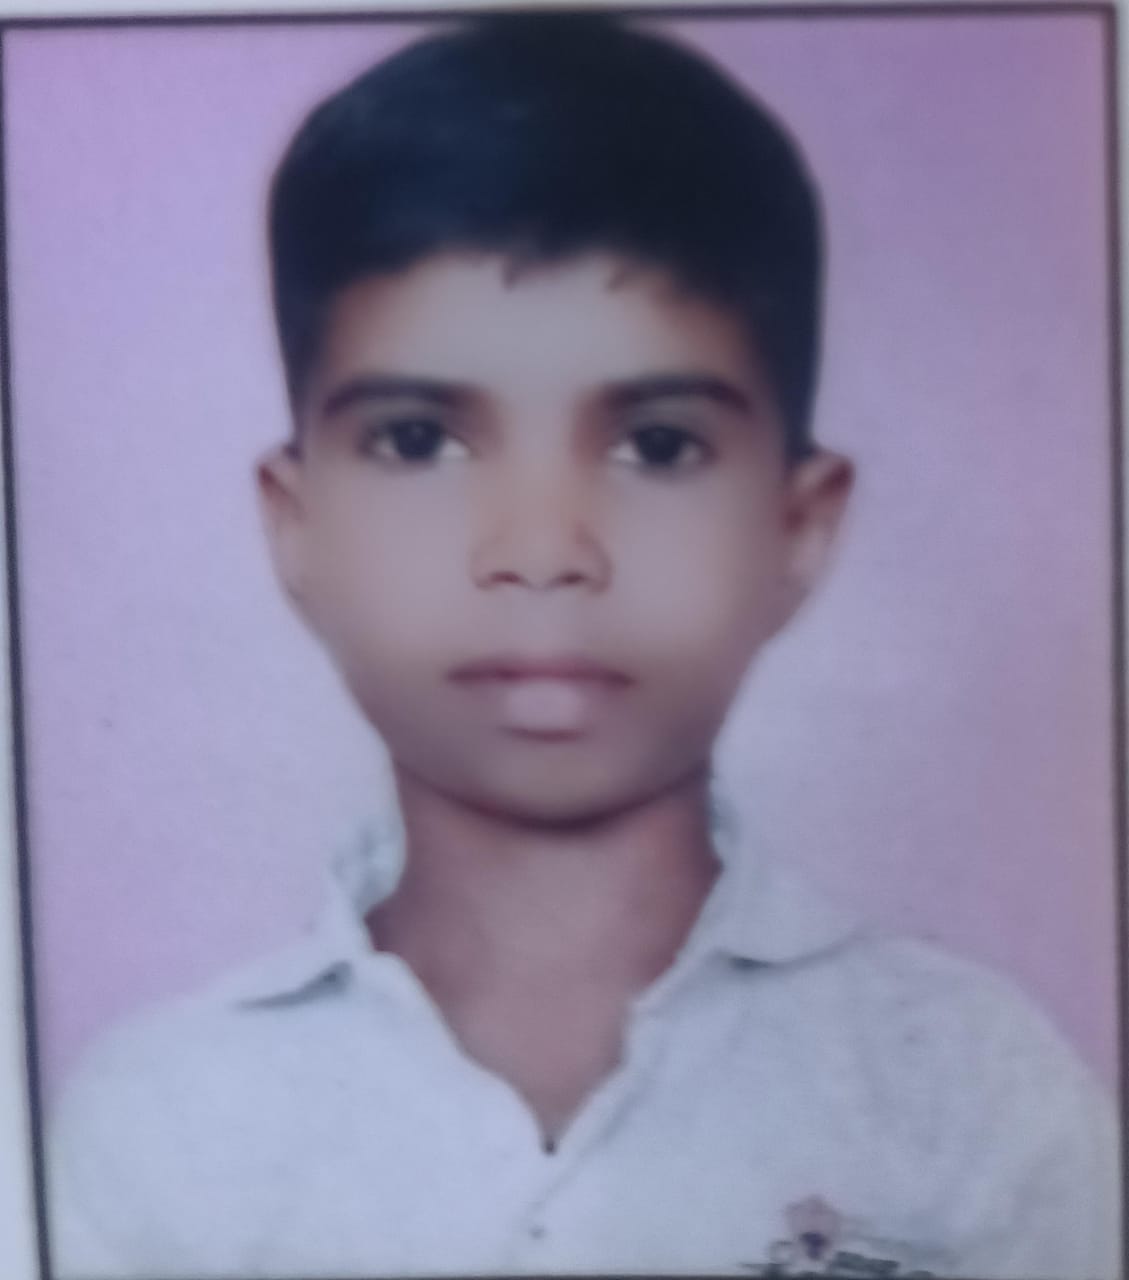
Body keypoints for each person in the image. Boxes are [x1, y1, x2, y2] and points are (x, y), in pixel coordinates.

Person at [47, 12, 1120, 1279]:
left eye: (656, 445)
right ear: (298, 526)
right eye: (419, 440)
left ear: (796, 527)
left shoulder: (971, 1098)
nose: (543, 548)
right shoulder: (156, 1129)